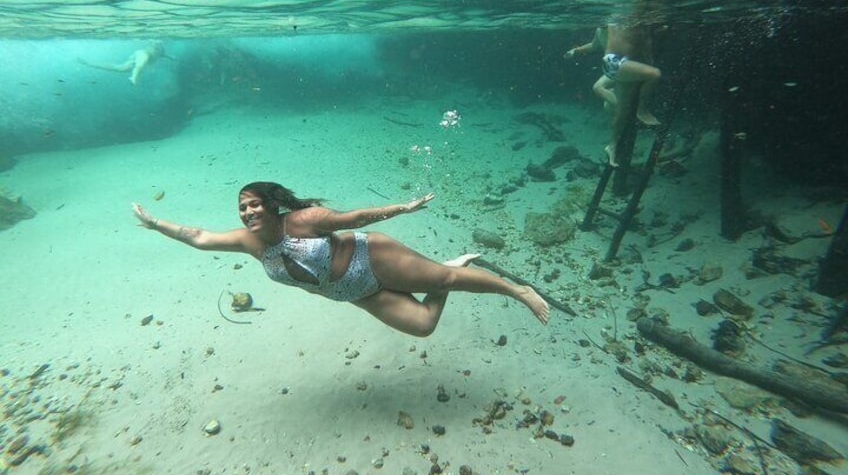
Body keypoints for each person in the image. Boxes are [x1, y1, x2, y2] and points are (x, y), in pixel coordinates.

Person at [132, 182, 550, 336]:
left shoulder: (303, 219)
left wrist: (401, 209)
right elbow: (200, 237)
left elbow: (356, 217)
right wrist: (158, 226)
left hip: (373, 260)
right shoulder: (248, 243)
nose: (248, 213)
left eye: (255, 205)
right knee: (423, 326)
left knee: (444, 282)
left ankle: (518, 291)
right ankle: (451, 266)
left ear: (273, 206)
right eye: (243, 208)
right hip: (356, 292)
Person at [602, 23, 662, 166]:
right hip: (617, 63)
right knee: (655, 74)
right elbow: (648, 56)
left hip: (612, 62)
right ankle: (642, 110)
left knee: (622, 110)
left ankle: (612, 146)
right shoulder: (643, 25)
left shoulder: (616, 23)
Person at [564, 26, 617, 113]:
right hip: (611, 68)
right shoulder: (599, 30)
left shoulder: (618, 27)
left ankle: (626, 109)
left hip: (623, 64)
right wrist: (576, 50)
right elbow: (594, 45)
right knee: (607, 107)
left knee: (598, 87)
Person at [79, 40, 165, 85]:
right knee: (118, 68)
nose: (158, 50)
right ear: (151, 46)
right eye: (156, 47)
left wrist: (171, 58)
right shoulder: (144, 55)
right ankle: (88, 63)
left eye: (158, 48)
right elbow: (138, 67)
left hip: (139, 62)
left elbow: (161, 54)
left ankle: (88, 63)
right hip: (132, 64)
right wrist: (134, 78)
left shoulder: (159, 50)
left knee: (117, 67)